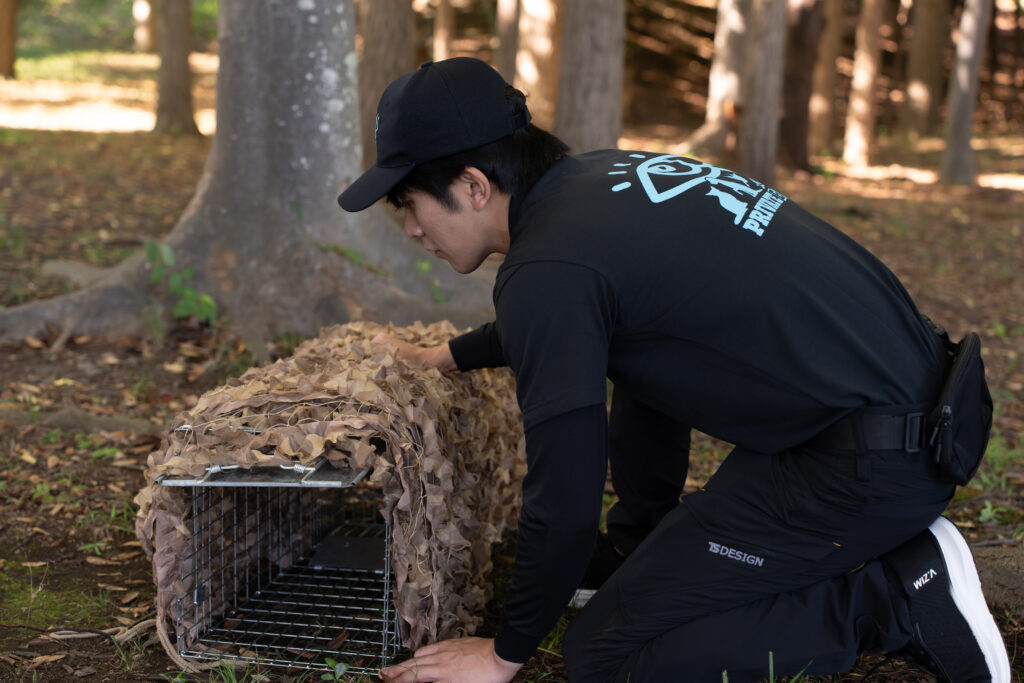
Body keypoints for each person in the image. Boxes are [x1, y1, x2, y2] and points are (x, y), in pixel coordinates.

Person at [337, 57, 1010, 683]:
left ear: (474, 186)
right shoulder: (600, 182)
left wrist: (504, 652)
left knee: (606, 653)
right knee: (641, 350)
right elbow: (583, 317)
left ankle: (896, 598)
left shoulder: (546, 268)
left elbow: (565, 495)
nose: (412, 230)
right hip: (912, 406)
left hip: (868, 463)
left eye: (410, 204)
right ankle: (639, 545)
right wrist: (450, 355)